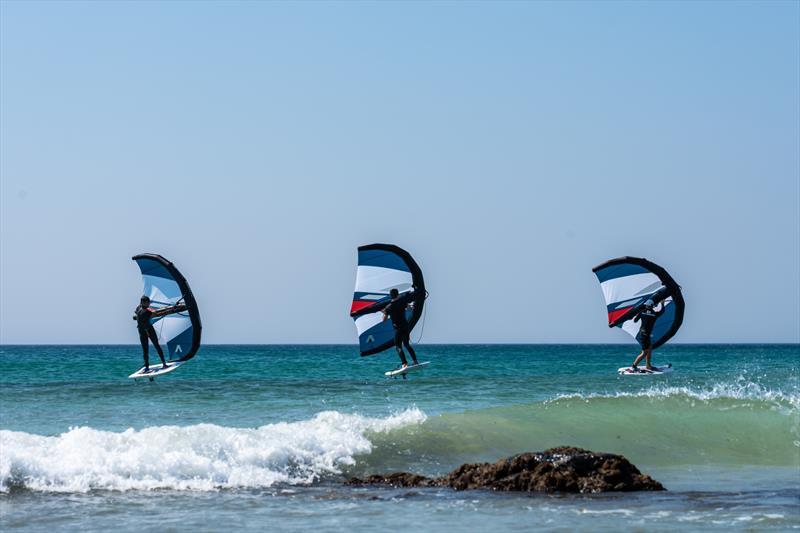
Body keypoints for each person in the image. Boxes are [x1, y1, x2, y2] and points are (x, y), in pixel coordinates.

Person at [133, 296, 186, 371]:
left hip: (144, 330)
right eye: (147, 303)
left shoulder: (139, 308)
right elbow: (159, 314)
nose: (148, 304)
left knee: (149, 348)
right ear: (143, 303)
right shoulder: (146, 312)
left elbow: (139, 311)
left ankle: (150, 366)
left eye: (149, 303)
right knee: (152, 347)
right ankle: (159, 365)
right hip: (146, 331)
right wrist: (173, 310)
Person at [376, 288, 420, 368]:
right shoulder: (402, 302)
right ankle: (415, 361)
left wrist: (384, 312)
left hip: (397, 329)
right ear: (398, 294)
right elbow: (410, 309)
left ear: (390, 295)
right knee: (407, 344)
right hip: (405, 327)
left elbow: (384, 320)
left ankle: (404, 364)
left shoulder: (388, 307)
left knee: (398, 346)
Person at [630, 299, 666, 371]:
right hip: (646, 335)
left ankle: (648, 365)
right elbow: (662, 311)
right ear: (652, 306)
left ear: (646, 305)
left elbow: (635, 320)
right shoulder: (654, 314)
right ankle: (634, 366)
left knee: (649, 348)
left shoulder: (642, 312)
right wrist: (662, 304)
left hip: (643, 334)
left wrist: (638, 313)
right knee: (644, 352)